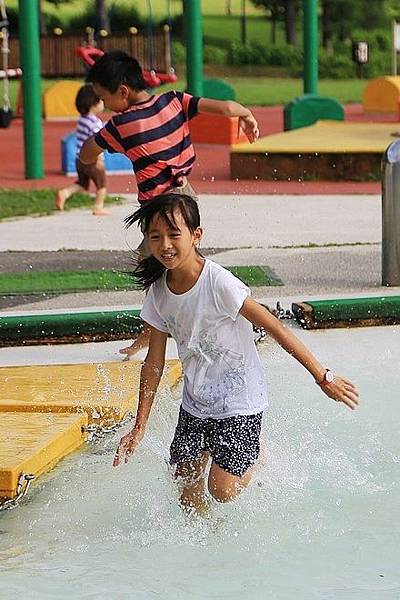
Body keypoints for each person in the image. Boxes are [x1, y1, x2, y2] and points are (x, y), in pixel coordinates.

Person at [113, 193, 359, 514]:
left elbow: (277, 329)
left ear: (196, 235)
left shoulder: (218, 283)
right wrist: (139, 425)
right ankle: (210, 543)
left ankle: (254, 455)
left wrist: (322, 375)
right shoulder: (159, 291)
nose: (165, 245)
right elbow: (154, 363)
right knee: (183, 484)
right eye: (155, 236)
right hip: (196, 401)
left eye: (174, 235)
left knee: (222, 491)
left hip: (239, 400)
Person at [78, 50, 259, 358]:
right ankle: (233, 319)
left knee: (157, 267)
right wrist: (247, 116)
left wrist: (91, 158)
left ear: (122, 92)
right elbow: (228, 108)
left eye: (103, 98)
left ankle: (163, 330)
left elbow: (86, 153)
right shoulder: (173, 100)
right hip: (186, 196)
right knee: (180, 263)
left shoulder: (121, 125)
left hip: (160, 209)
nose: (105, 105)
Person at [55, 84, 110, 216]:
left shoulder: (82, 120)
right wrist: (100, 159)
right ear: (94, 103)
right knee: (102, 185)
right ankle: (98, 206)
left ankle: (65, 193)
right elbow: (97, 142)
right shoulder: (95, 123)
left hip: (80, 159)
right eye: (101, 100)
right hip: (93, 160)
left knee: (82, 184)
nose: (103, 103)